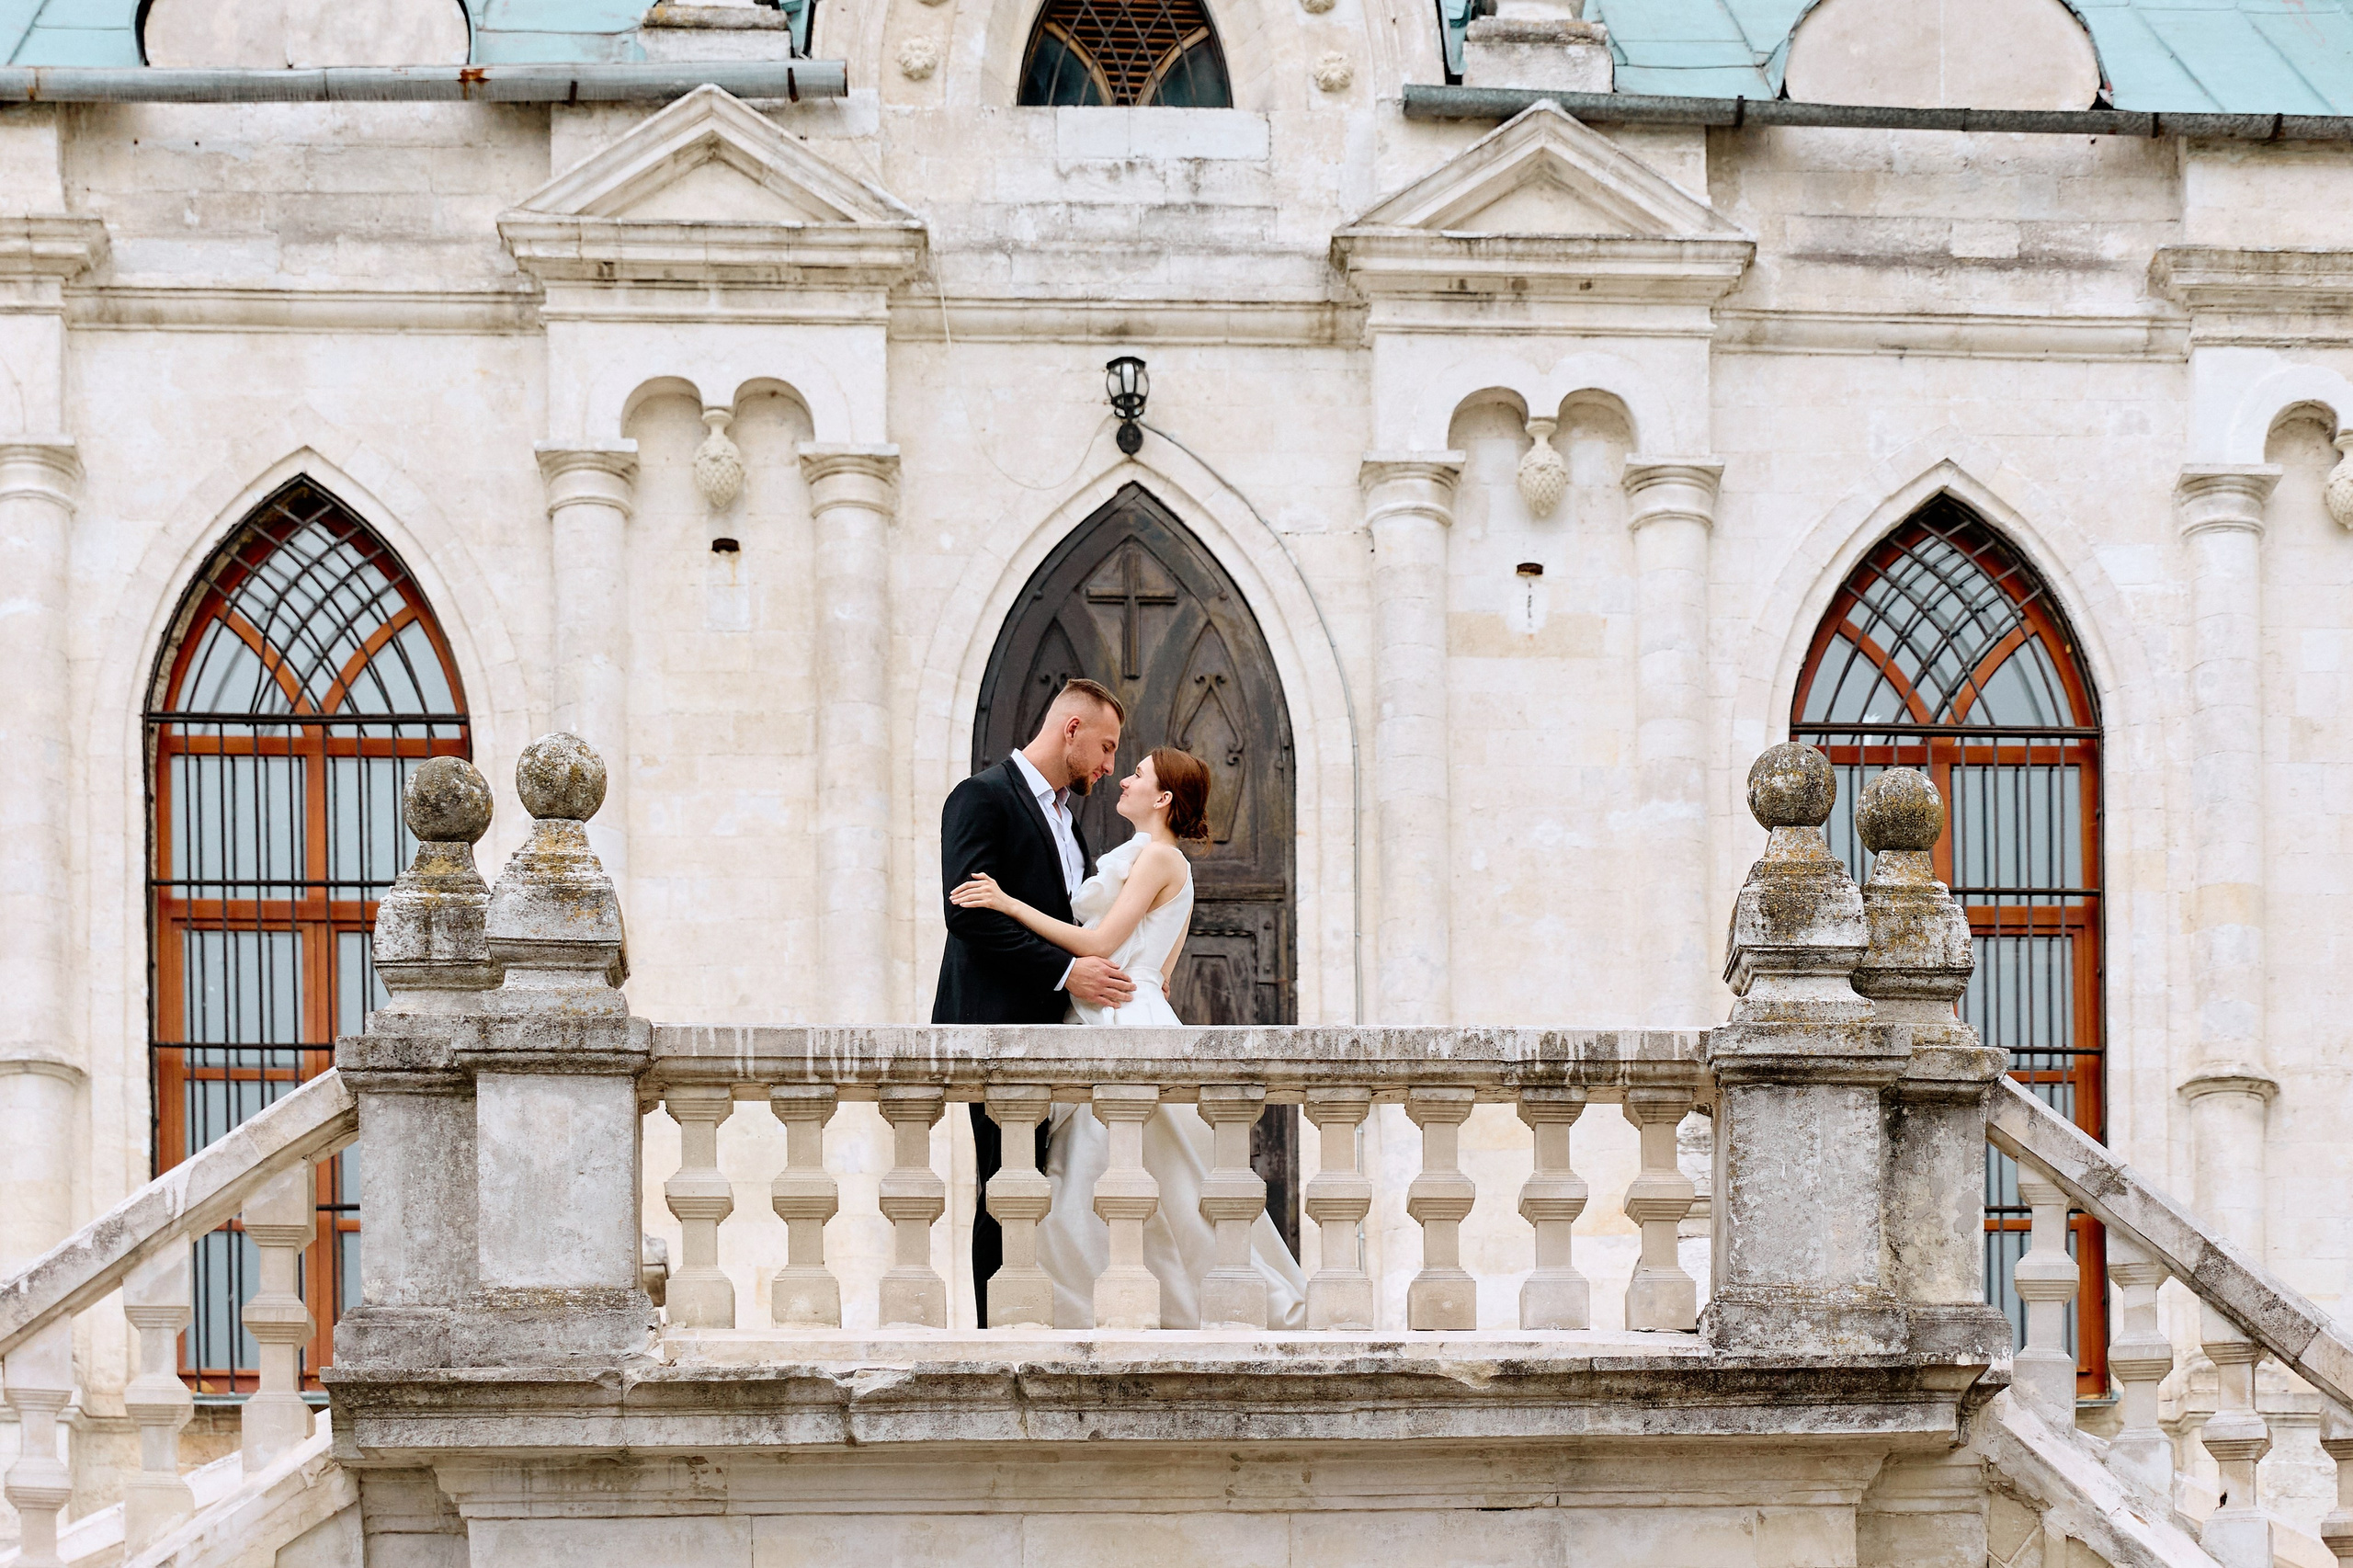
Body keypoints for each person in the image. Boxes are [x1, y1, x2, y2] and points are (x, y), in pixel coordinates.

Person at [951, 746, 1306, 1328]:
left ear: (1162, 798)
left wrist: (1006, 901)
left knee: (1124, 1175)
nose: (1124, 778)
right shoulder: (1155, 861)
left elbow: (1098, 945)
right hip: (1121, 1006)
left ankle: (1154, 1308)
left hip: (1121, 1021)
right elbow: (1161, 973)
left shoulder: (1161, 860)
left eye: (1137, 774)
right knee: (1126, 1182)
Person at [934, 678, 1135, 1324]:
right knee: (1007, 1188)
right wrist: (1066, 974)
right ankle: (998, 1335)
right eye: (1104, 748)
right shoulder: (981, 796)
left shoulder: (1069, 825)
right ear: (1070, 729)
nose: (1108, 767)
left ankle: (1038, 1320)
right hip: (997, 1030)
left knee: (1043, 1189)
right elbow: (968, 915)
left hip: (1057, 1036)